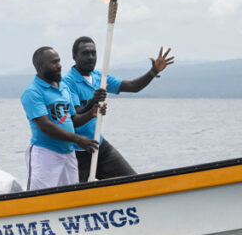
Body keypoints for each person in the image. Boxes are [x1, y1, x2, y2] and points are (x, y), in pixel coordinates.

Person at [63, 37, 175, 182]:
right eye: (85, 53)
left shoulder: (100, 77)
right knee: (77, 197)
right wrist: (93, 102)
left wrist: (153, 72)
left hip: (98, 144)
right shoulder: (67, 82)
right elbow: (76, 115)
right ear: (74, 56)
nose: (90, 57)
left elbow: (133, 86)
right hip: (77, 151)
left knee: (132, 182)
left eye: (93, 53)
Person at [21, 46, 100, 191]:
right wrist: (78, 139)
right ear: (40, 66)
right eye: (54, 62)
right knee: (40, 200)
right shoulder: (32, 92)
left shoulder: (63, 87)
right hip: (45, 154)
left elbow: (73, 119)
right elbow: (45, 126)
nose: (59, 66)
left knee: (71, 198)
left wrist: (91, 113)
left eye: (59, 61)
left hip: (68, 154)